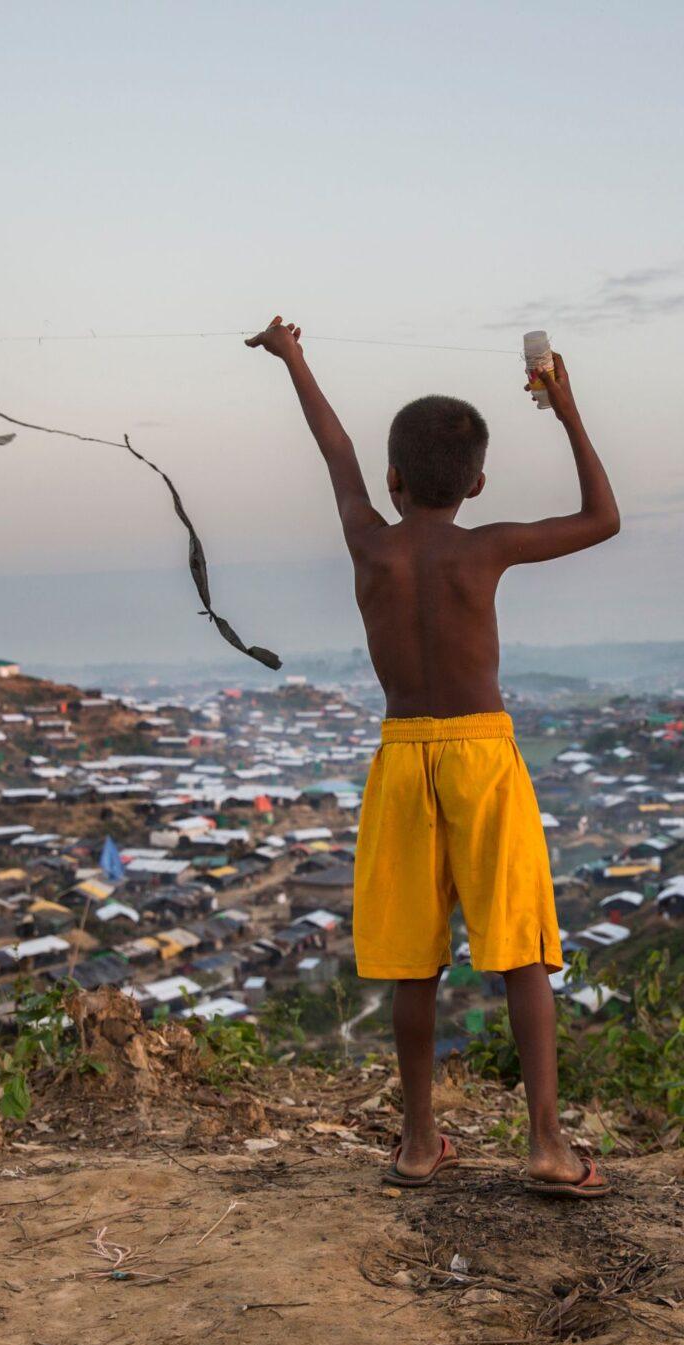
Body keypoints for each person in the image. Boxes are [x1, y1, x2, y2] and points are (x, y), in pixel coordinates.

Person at [246, 318, 619, 1199]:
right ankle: (548, 1145)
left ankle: (419, 1142)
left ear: (395, 478)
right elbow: (602, 518)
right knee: (521, 951)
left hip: (401, 755)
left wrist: (294, 355)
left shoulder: (369, 543)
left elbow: (332, 447)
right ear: (479, 482)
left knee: (413, 958)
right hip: (482, 754)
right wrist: (565, 408)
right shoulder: (482, 547)